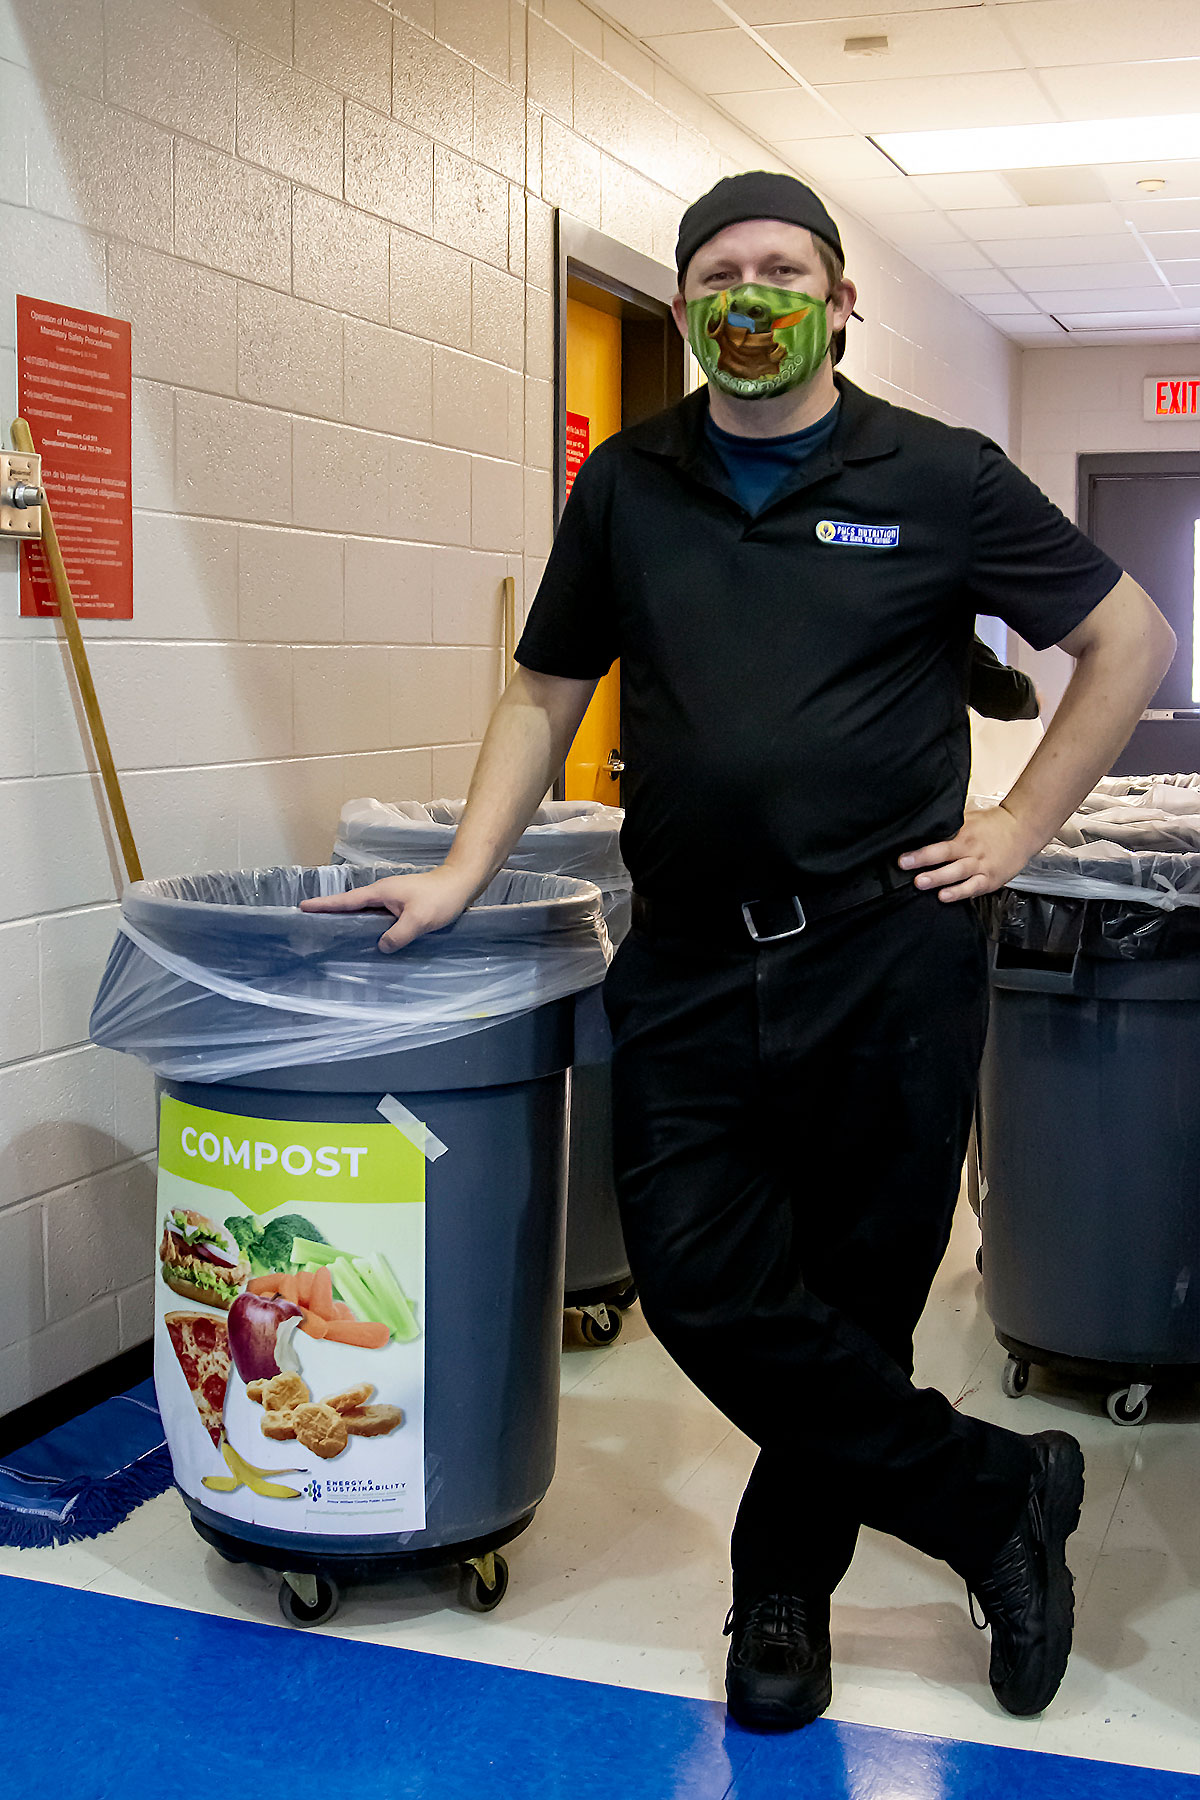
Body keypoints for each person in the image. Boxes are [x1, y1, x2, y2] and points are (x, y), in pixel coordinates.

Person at [302, 173, 1175, 1733]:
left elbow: (1128, 638)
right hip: (693, 957)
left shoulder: (943, 474)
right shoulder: (628, 484)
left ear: (841, 301)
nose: (747, 296)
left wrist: (1024, 829)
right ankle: (995, 1499)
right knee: (702, 1290)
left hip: (886, 960)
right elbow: (542, 689)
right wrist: (457, 870)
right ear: (691, 304)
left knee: (847, 1307)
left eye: (782, 271)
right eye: (718, 274)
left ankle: (782, 1592)